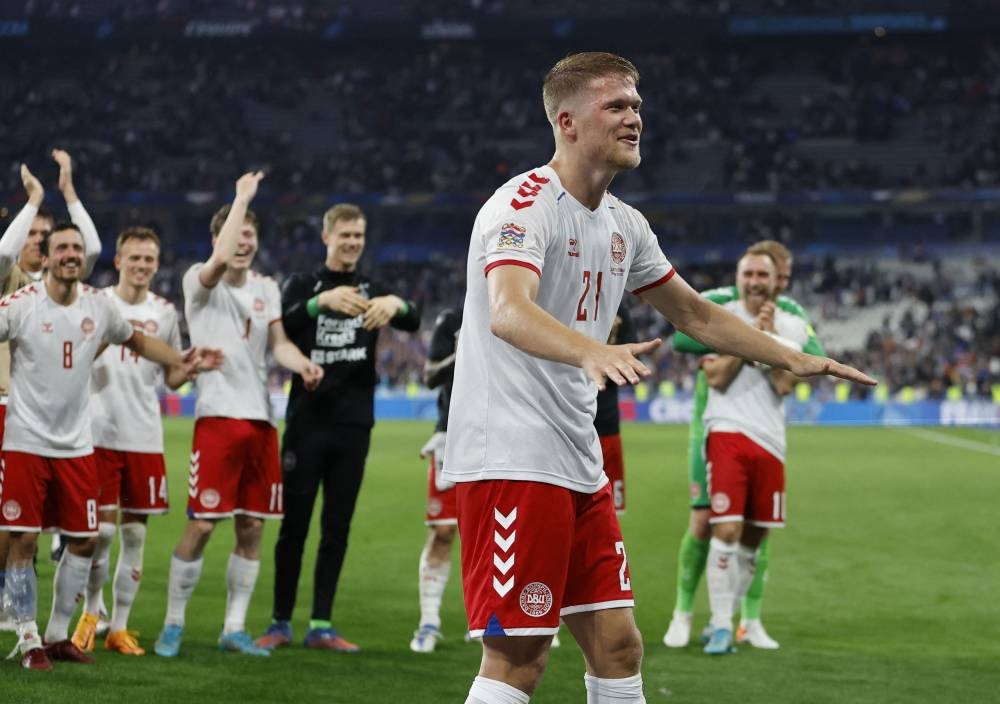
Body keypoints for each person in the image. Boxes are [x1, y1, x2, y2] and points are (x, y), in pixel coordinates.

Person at [441, 51, 873, 704]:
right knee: (519, 657)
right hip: (511, 455)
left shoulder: (624, 225)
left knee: (619, 647)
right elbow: (508, 310)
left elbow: (696, 313)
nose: (635, 117)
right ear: (568, 121)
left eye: (637, 105)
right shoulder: (524, 204)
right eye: (616, 105)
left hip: (577, 460)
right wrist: (588, 351)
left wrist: (793, 356)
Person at [0, 208, 213, 671]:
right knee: (21, 539)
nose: (71, 255)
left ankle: (58, 634)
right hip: (25, 442)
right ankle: (27, 637)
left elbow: (136, 341)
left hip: (78, 446)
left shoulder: (99, 305)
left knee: (83, 540)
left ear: (85, 257)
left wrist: (182, 358)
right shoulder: (21, 304)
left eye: (77, 248)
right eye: (62, 248)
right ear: (47, 255)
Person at [153, 172, 323, 659]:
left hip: (261, 423)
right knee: (203, 525)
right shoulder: (198, 281)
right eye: (235, 232)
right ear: (218, 238)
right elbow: (220, 262)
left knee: (251, 527)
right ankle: (173, 623)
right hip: (217, 420)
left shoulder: (267, 288)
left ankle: (233, 627)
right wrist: (240, 197)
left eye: (250, 233)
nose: (244, 242)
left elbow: (279, 345)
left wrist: (302, 364)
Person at [256, 203, 419, 652]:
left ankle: (322, 625)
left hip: (353, 424)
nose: (352, 243)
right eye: (345, 235)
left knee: (338, 526)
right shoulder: (302, 285)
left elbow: (414, 318)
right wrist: (319, 302)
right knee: (294, 526)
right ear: (326, 236)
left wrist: (395, 303)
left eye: (358, 236)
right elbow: (281, 328)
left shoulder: (372, 288)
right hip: (306, 423)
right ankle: (280, 621)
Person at [662, 239, 824, 651]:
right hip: (714, 427)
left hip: (769, 436)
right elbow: (684, 342)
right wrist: (749, 339)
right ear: (738, 276)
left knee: (756, 533)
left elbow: (799, 373)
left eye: (773, 276)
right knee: (709, 524)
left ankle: (743, 620)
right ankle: (687, 615)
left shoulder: (792, 316)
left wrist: (766, 342)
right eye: (750, 273)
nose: (761, 282)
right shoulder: (718, 305)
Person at [69, 227, 187, 657]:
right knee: (99, 533)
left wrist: (191, 366)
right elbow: (74, 359)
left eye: (149, 260)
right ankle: (92, 616)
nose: (141, 266)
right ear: (117, 261)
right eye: (134, 258)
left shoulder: (167, 312)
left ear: (157, 265)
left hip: (144, 436)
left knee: (135, 536)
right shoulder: (95, 303)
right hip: (98, 433)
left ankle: (119, 626)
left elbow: (172, 376)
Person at [409, 307, 461, 653]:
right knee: (443, 531)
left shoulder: (527, 310)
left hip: (505, 436)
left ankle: (491, 618)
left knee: (496, 531)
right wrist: (467, 349)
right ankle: (429, 621)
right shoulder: (451, 320)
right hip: (451, 435)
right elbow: (429, 375)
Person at [596, 307, 636, 516]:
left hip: (606, 422)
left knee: (610, 511)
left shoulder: (618, 303)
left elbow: (632, 362)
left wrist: (610, 346)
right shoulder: (563, 288)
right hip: (564, 423)